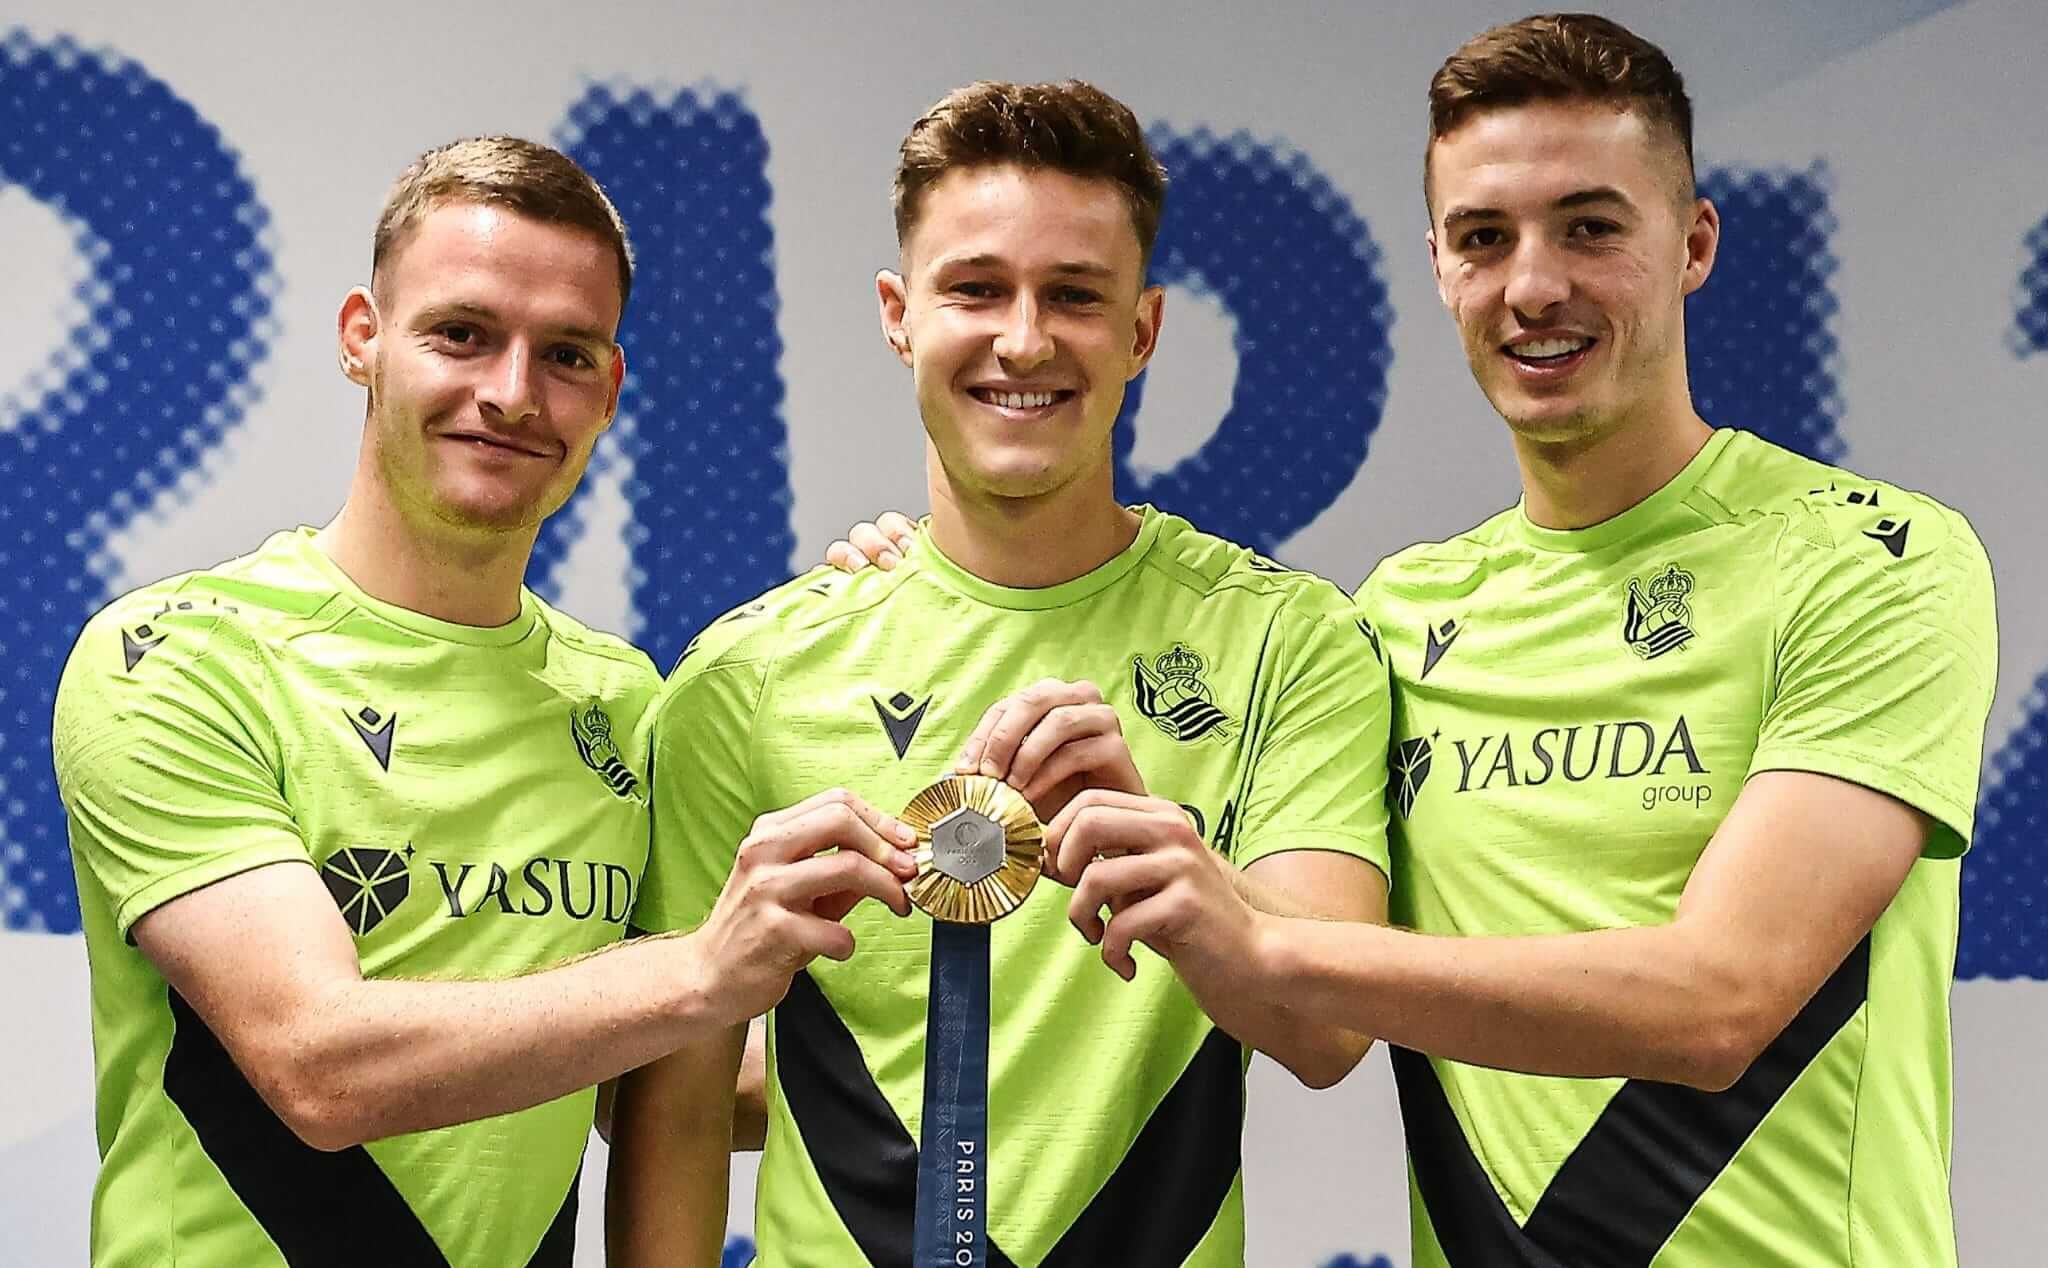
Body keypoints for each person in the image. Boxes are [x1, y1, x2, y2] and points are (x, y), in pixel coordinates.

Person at [836, 15, 1999, 1267]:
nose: (1533, 284)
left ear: (1693, 244)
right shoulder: (1388, 622)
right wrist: (920, 580)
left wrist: (1262, 935)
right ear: (1440, 266)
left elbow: (1720, 998)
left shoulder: (1872, 559)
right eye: (1483, 237)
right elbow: (1299, 992)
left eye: (1589, 226)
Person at [51, 136, 914, 1268]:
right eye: (460, 333)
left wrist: (894, 627)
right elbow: (322, 1064)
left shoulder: (623, 699)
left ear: (608, 390)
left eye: (564, 353)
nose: (510, 393)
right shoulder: (176, 656)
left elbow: (647, 1080)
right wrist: (704, 968)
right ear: (364, 338)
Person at [606, 80, 1392, 1266]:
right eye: (975, 288)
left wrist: (1173, 859)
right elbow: (672, 1099)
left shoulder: (1288, 639)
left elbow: (1331, 1030)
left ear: (1141, 330)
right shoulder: (746, 672)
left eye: (1073, 295)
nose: (1023, 338)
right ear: (897, 313)